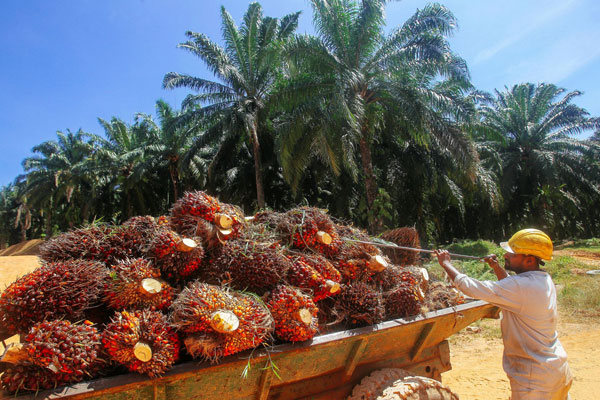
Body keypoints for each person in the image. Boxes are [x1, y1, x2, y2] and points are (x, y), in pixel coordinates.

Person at [434, 229, 572, 400]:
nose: (506, 256)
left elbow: (471, 288)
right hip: (556, 370)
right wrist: (496, 267)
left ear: (529, 260)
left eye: (512, 254)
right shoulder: (542, 279)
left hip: (535, 381)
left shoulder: (521, 286)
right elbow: (511, 289)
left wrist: (446, 263)